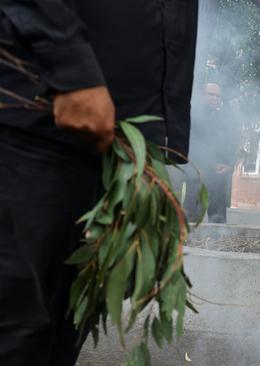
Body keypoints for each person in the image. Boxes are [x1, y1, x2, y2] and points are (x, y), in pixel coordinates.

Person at [0, 1, 197, 365]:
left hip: (116, 148)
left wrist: (159, 139)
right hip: (36, 115)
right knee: (16, 326)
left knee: (63, 330)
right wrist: (70, 64)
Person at [187, 82, 238, 224]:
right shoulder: (191, 115)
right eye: (211, 94)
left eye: (218, 96)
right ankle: (187, 245)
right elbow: (191, 145)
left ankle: (216, 245)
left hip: (219, 179)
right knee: (191, 219)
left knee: (218, 222)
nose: (215, 98)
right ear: (202, 95)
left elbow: (230, 145)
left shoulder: (224, 119)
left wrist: (230, 165)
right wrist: (211, 164)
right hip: (196, 175)